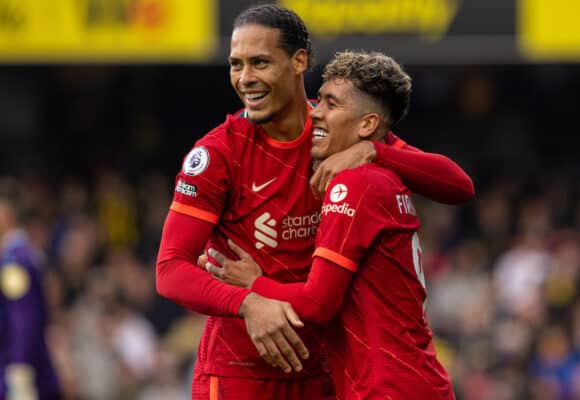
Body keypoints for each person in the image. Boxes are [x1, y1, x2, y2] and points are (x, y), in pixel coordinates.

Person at [155, 4, 473, 399]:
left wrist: (377, 152)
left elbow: (457, 185)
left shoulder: (336, 131)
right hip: (240, 373)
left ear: (299, 61)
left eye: (260, 62)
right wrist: (249, 302)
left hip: (324, 372)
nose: (245, 78)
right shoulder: (220, 153)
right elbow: (170, 270)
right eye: (236, 64)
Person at [0, 179, 62, 400]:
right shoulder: (19, 254)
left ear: (6, 213)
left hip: (18, 371)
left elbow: (23, 318)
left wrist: (20, 369)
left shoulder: (14, 261)